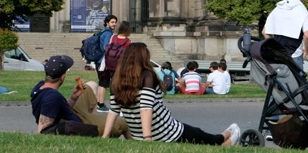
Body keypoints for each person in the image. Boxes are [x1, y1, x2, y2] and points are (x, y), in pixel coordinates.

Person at [105, 42, 241, 145]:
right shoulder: (147, 75)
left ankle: (225, 137)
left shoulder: (116, 80)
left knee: (197, 134)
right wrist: (147, 138)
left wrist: (105, 137)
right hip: (166, 132)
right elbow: (146, 108)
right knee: (201, 135)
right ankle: (226, 137)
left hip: (139, 135)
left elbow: (114, 110)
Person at [30, 55, 130, 138]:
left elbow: (58, 112)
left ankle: (95, 117)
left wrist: (74, 97)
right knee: (124, 122)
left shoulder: (39, 87)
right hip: (79, 125)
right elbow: (43, 130)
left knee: (90, 85)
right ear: (63, 77)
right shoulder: (51, 97)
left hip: (70, 116)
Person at [263, 0, 308, 71]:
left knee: (280, 83)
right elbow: (307, 35)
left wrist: (274, 46)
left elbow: (265, 32)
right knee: (297, 84)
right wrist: (306, 50)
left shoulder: (279, 7)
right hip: (294, 55)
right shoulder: (301, 10)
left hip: (278, 54)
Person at [96, 14, 117, 112]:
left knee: (101, 83)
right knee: (104, 83)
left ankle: (99, 103)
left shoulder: (102, 32)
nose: (114, 24)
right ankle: (101, 105)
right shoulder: (108, 33)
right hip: (103, 61)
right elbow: (106, 47)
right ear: (107, 23)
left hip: (99, 61)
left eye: (115, 22)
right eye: (112, 22)